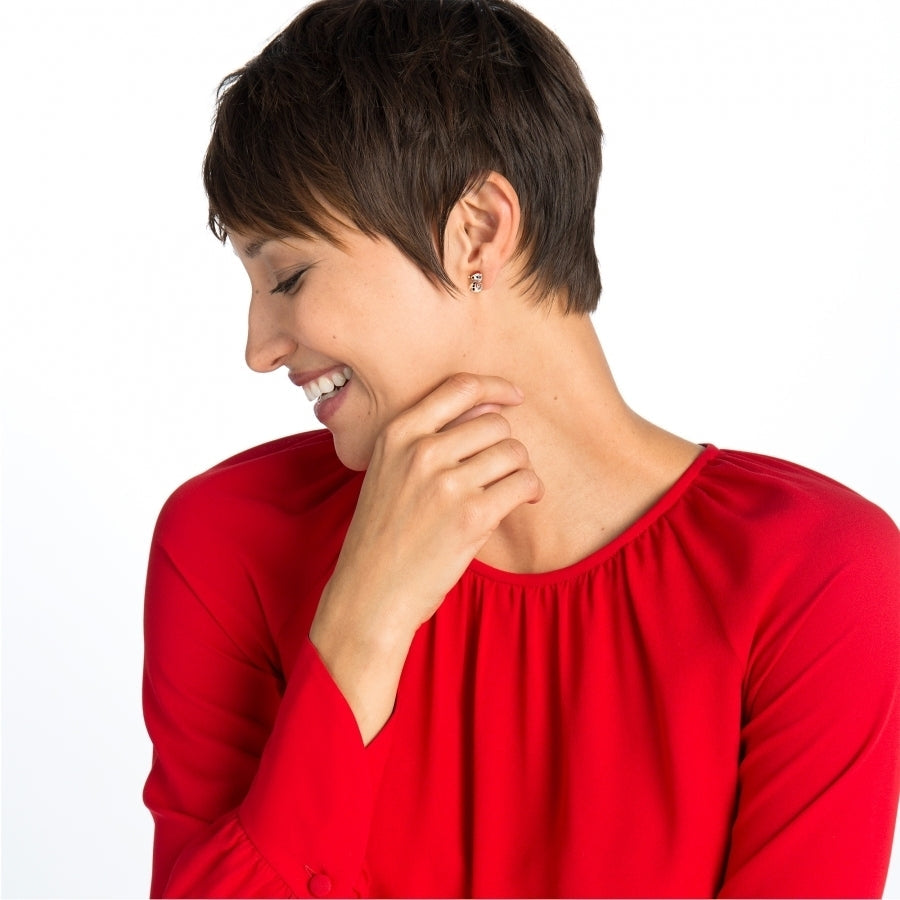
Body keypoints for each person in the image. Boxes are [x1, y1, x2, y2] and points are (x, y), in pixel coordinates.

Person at [141, 0, 900, 896]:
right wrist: (363, 622)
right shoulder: (228, 544)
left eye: (288, 275)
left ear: (477, 230)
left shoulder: (817, 578)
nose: (259, 347)